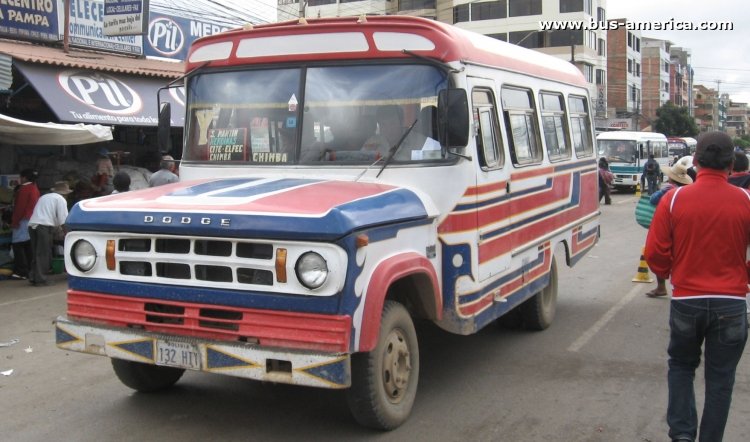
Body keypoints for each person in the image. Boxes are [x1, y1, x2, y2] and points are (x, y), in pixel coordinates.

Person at [645, 131, 750, 442]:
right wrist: (743, 274)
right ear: (731, 164)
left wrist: (671, 271)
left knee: (680, 366)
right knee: (721, 380)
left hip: (687, 300)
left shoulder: (674, 199)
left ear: (696, 163)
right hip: (731, 303)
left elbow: (654, 252)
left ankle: (682, 435)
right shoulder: (745, 201)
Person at [643, 160, 693, 298]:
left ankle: (661, 287)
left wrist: (662, 192)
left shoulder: (668, 189)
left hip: (666, 227)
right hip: (682, 227)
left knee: (660, 254)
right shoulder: (687, 190)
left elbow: (652, 200)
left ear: (671, 176)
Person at [28, 181, 71, 286]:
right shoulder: (60, 199)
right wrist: (68, 234)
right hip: (44, 227)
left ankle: (33, 276)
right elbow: (63, 220)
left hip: (32, 225)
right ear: (64, 193)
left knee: (36, 252)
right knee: (44, 253)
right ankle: (41, 279)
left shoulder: (44, 197)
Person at [10, 169, 40, 280]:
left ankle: (21, 271)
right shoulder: (34, 188)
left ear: (24, 178)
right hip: (31, 219)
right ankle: (29, 270)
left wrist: (15, 221)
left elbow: (19, 208)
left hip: (23, 219)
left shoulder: (24, 189)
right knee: (27, 245)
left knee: (17, 245)